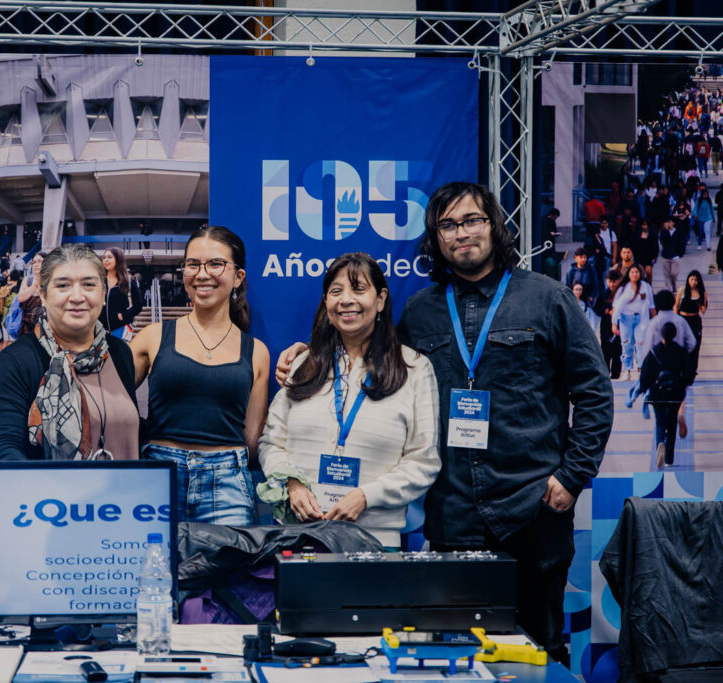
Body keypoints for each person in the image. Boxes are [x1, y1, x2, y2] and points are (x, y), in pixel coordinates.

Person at [276, 181, 613, 665]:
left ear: (494, 226)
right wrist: (303, 354)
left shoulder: (547, 299)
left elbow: (595, 393)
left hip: (532, 505)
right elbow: (367, 356)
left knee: (539, 648)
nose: (461, 234)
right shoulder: (422, 310)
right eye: (448, 225)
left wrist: (572, 476)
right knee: (455, 657)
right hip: (453, 514)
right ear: (435, 238)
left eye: (472, 220)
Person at [257, 253, 441, 547]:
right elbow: (271, 442)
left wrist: (367, 496)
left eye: (358, 289)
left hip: (375, 540)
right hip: (299, 534)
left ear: (380, 299)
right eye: (336, 291)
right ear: (326, 302)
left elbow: (424, 461)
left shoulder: (415, 369)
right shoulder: (303, 363)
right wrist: (291, 485)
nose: (346, 300)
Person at [130, 225, 271, 525]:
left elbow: (253, 441)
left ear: (238, 277)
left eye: (215, 264)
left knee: (227, 572)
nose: (202, 274)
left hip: (228, 485)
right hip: (159, 477)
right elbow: (110, 404)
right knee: (155, 571)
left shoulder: (257, 352)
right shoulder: (152, 336)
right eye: (193, 264)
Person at [0, 244, 140, 461]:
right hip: (52, 494)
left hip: (125, 492)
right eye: (63, 285)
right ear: (43, 295)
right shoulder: (15, 361)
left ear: (103, 294)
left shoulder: (119, 352)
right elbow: (6, 447)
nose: (77, 296)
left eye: (89, 284)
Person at [636, 322, 693, 469]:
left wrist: (643, 388)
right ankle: (669, 458)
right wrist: (684, 385)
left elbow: (646, 375)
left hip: (658, 392)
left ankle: (660, 443)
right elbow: (688, 374)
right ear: (675, 334)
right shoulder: (681, 352)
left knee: (660, 421)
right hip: (675, 392)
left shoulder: (654, 352)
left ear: (661, 334)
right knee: (672, 420)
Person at [612, 265, 656, 380]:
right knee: (627, 344)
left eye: (637, 272)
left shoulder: (645, 286)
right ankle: (627, 369)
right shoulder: (623, 288)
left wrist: (655, 320)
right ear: (629, 274)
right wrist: (614, 323)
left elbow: (651, 305)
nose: (635, 274)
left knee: (641, 343)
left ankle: (641, 369)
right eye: (632, 272)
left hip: (641, 318)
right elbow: (616, 306)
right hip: (626, 318)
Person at [100, 247, 144, 338]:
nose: (106, 260)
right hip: (101, 330)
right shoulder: (100, 281)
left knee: (118, 352)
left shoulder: (128, 281)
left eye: (109, 257)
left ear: (118, 259)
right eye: (104, 258)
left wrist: (123, 316)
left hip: (121, 329)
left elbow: (138, 305)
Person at [675, 270, 707, 372]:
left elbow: (703, 311)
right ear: (688, 279)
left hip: (695, 320)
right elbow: (676, 305)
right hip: (683, 319)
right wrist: (675, 319)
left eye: (696, 280)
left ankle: (692, 368)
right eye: (692, 279)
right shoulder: (682, 290)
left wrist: (702, 299)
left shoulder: (701, 292)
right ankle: (681, 366)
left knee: (695, 344)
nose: (693, 282)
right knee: (681, 343)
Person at [595, 270, 624, 379]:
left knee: (618, 350)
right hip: (606, 325)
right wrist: (606, 311)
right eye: (609, 282)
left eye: (614, 282)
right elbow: (596, 307)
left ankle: (616, 374)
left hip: (620, 325)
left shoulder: (622, 293)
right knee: (605, 350)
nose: (612, 284)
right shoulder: (603, 293)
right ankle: (605, 373)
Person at [659, 218, 685, 292]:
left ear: (673, 223)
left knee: (674, 273)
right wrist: (666, 230)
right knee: (666, 274)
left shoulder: (678, 231)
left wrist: (681, 253)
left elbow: (682, 243)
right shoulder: (663, 231)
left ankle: (673, 284)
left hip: (675, 256)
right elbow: (662, 240)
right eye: (667, 222)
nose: (668, 223)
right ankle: (669, 289)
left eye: (669, 222)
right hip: (665, 256)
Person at [630, 219, 659, 284]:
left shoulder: (652, 234)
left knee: (648, 272)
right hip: (639, 256)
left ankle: (649, 286)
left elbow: (656, 246)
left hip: (649, 257)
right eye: (643, 225)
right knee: (641, 273)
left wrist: (655, 256)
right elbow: (634, 245)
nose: (644, 226)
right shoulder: (637, 233)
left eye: (645, 225)